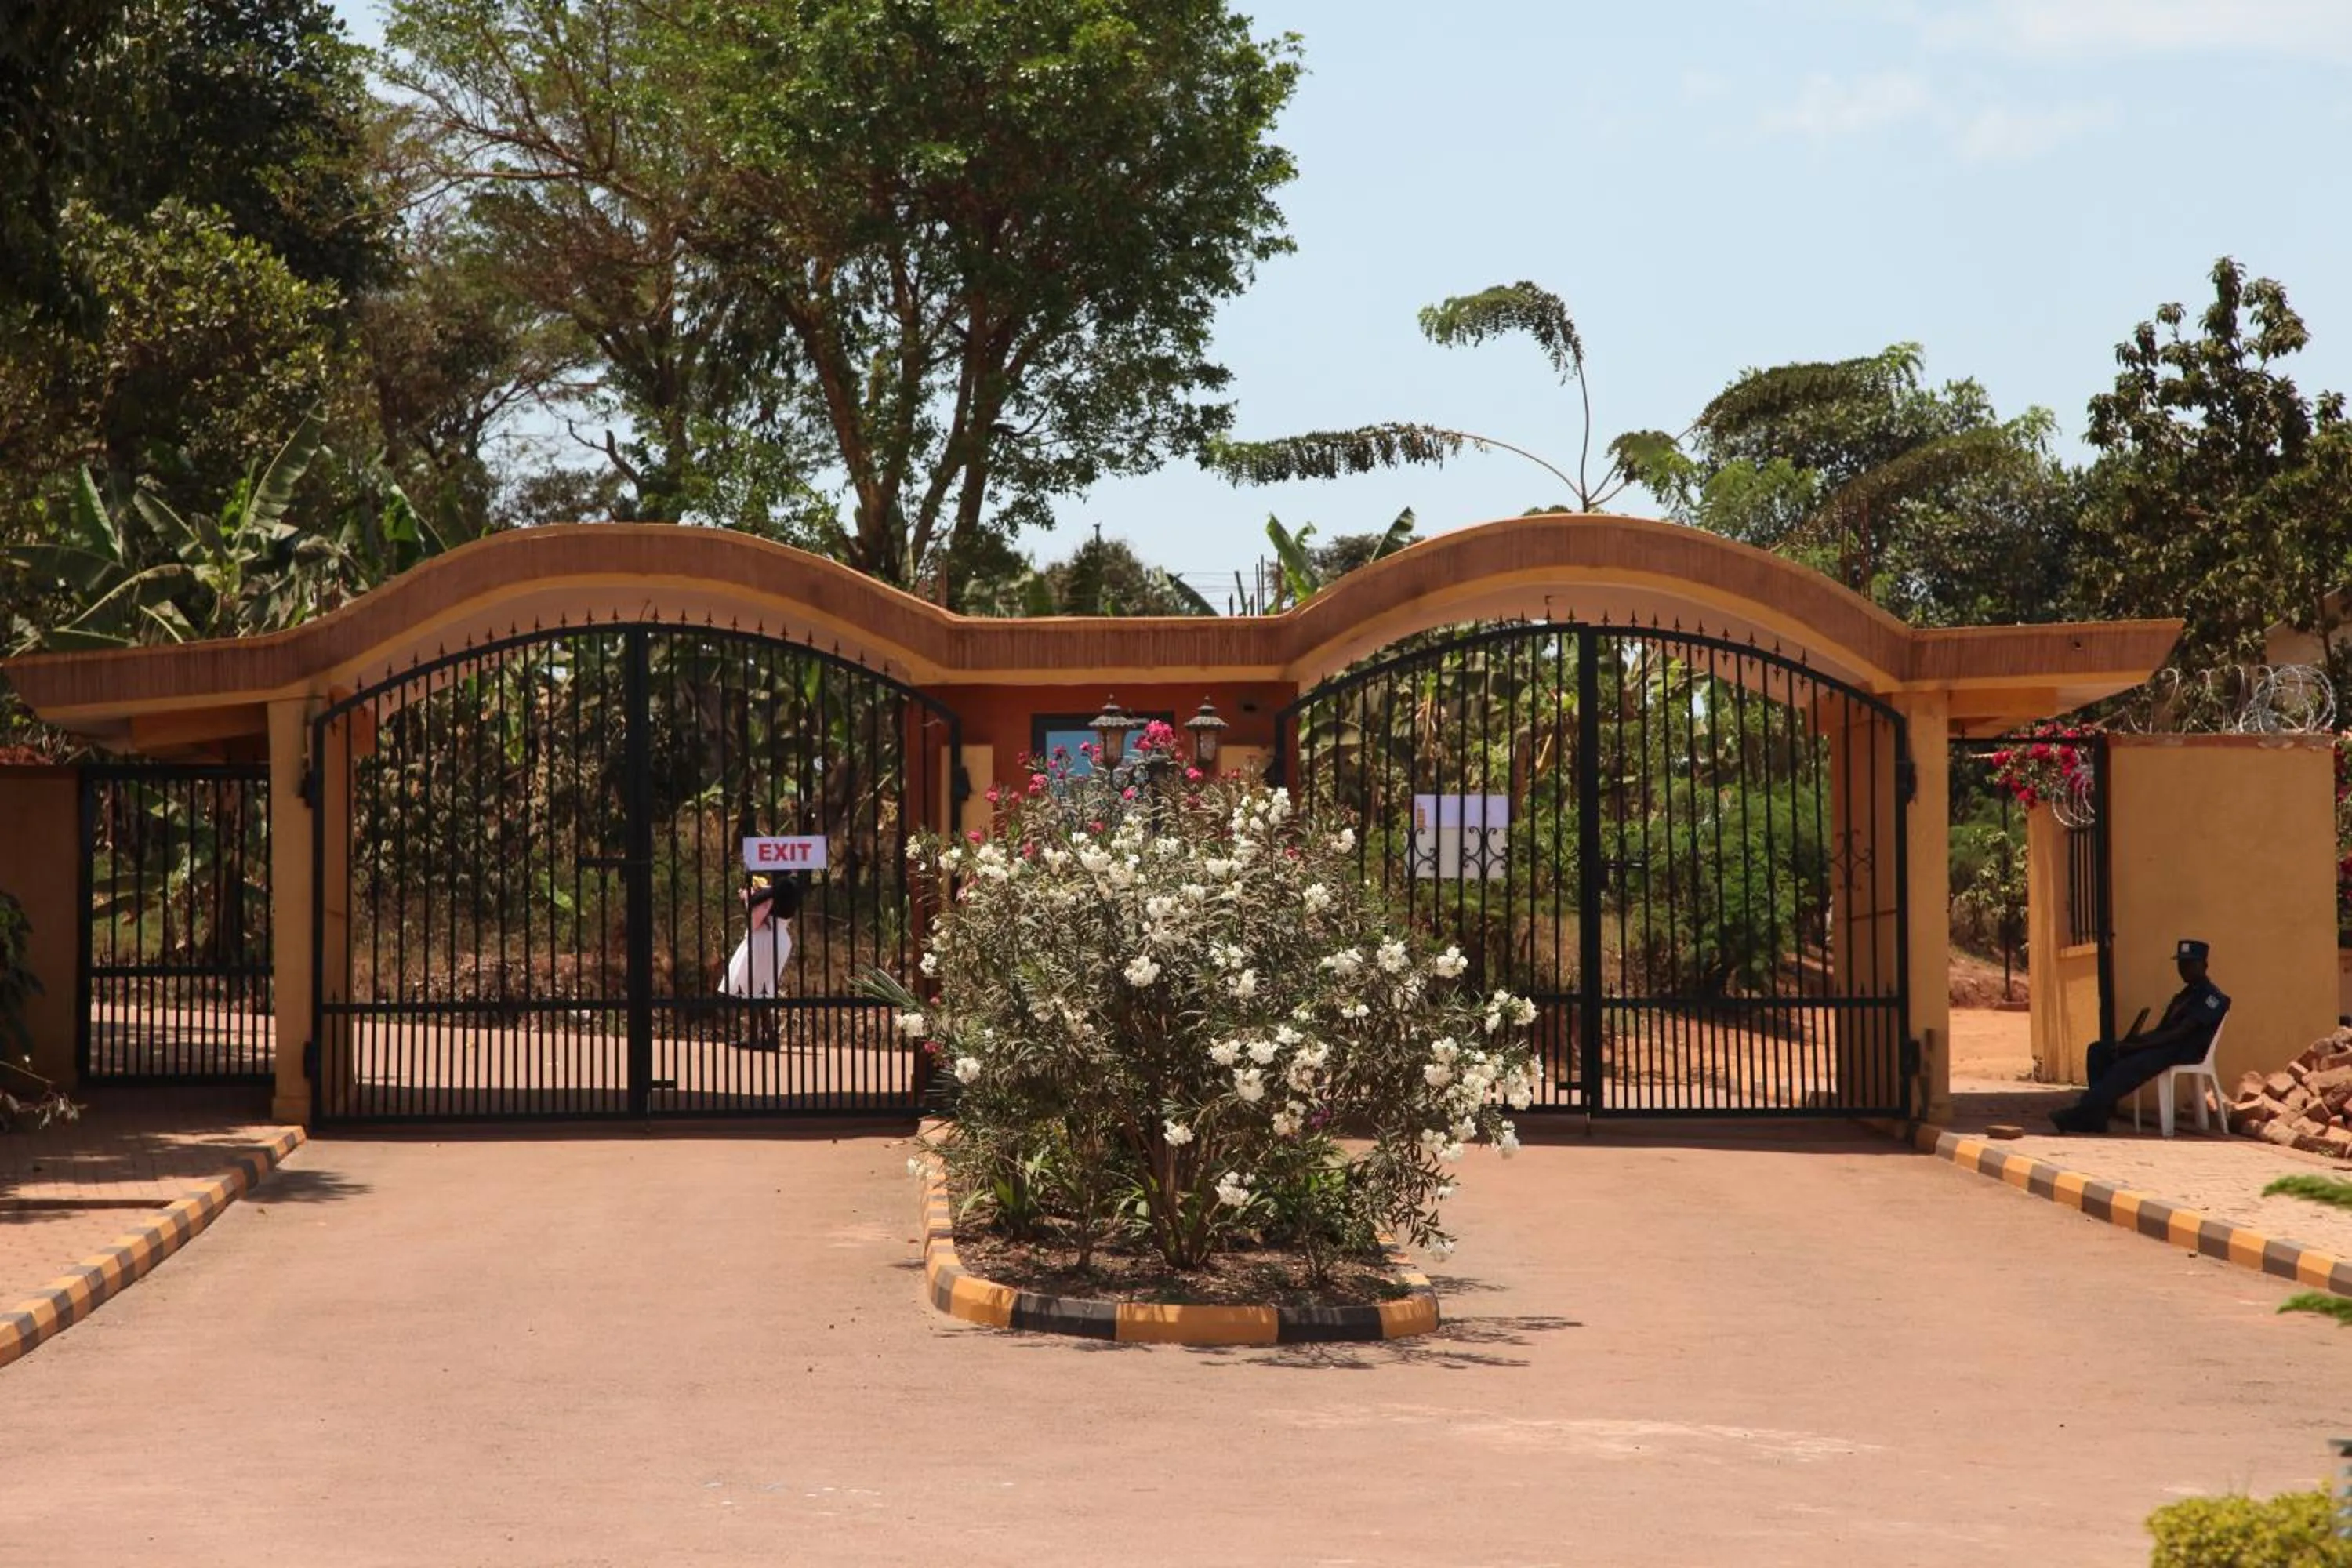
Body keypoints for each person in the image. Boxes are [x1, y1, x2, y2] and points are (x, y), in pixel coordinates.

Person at [2049, 938, 2230, 1134]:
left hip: (2183, 1051)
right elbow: (2163, 1031)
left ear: (2204, 965)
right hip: (2165, 1046)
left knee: (2128, 1066)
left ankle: (2081, 1112)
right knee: (2100, 1051)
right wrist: (2134, 1042)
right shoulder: (2184, 995)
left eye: (2189, 964)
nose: (2183, 968)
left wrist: (2138, 1047)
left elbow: (2179, 1033)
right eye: (2181, 963)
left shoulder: (2211, 997)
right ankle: (2097, 1116)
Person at [720, 878, 801, 1050]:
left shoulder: (781, 888)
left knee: (754, 987)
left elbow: (756, 902)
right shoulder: (792, 888)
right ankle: (768, 1037)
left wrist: (748, 895)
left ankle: (757, 1038)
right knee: (761, 989)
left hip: (765, 939)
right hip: (777, 939)